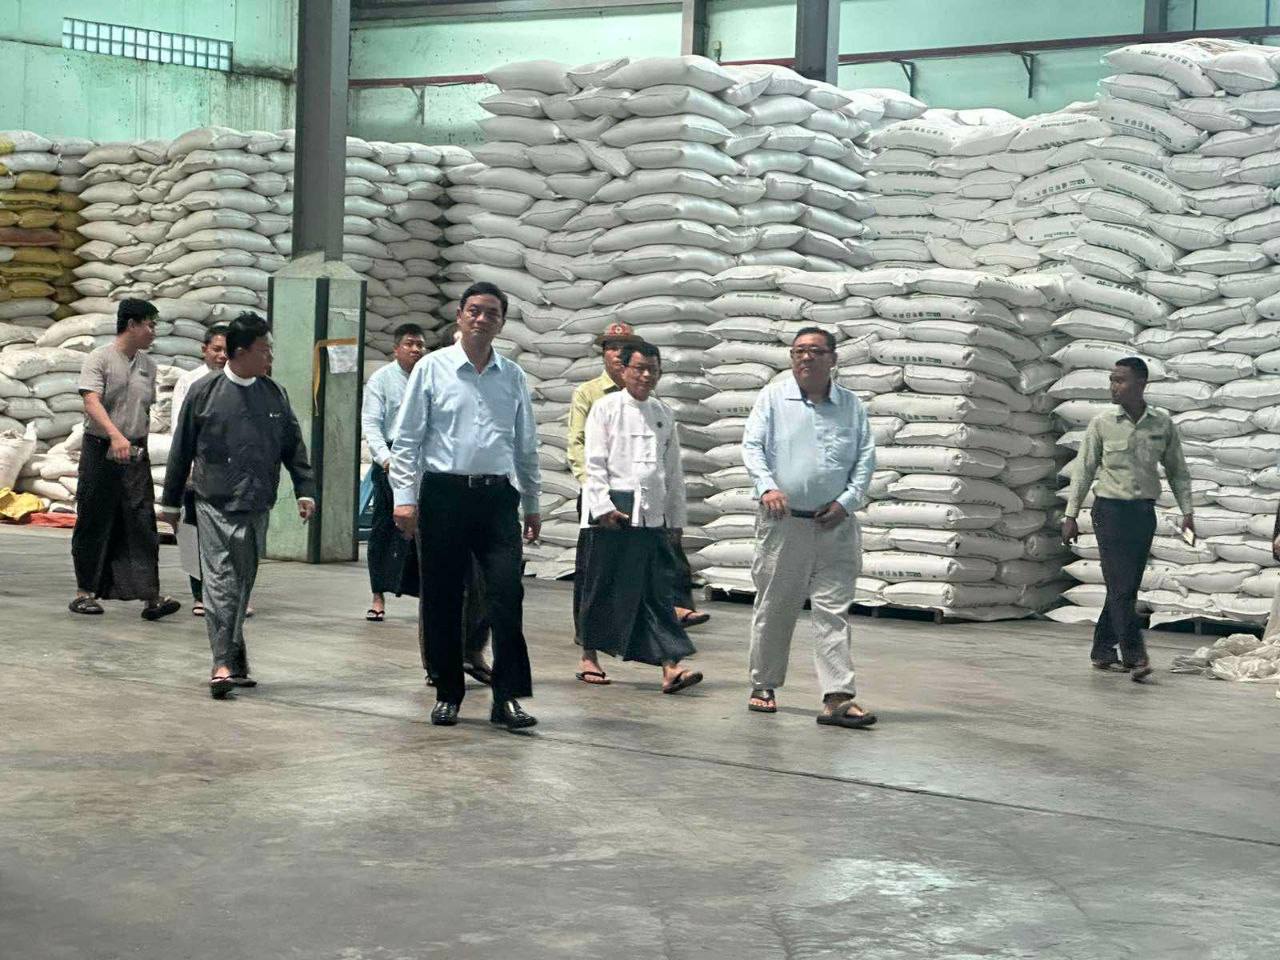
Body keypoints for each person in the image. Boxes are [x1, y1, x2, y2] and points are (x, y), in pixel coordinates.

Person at [390, 281, 541, 732]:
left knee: (507, 596)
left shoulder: (512, 376)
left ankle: (507, 697)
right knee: (442, 597)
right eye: (474, 310)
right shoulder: (432, 369)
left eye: (492, 313)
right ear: (459, 316)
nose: (482, 319)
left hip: (497, 498)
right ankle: (447, 693)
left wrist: (532, 502)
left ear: (501, 323)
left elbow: (525, 445)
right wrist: (404, 499)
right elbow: (408, 440)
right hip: (444, 495)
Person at [160, 312, 316, 699]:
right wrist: (171, 503)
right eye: (265, 350)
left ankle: (234, 654)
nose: (270, 358)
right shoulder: (204, 393)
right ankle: (221, 664)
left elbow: (293, 446)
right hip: (213, 501)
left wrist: (305, 490)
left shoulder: (274, 394)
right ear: (241, 352)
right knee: (219, 581)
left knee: (243, 581)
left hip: (257, 502)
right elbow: (181, 450)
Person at [742, 327, 877, 729]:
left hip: (835, 525)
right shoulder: (773, 398)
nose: (806, 358)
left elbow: (865, 459)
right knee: (776, 607)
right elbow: (752, 447)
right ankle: (764, 684)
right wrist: (767, 487)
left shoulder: (851, 406)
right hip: (784, 525)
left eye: (816, 351)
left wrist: (847, 501)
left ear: (832, 359)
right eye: (799, 351)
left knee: (833, 612)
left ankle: (837, 696)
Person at [568, 323, 708, 686]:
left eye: (653, 370)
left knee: (655, 590)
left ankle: (670, 667)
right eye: (639, 369)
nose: (646, 376)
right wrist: (602, 507)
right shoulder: (605, 408)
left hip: (651, 513)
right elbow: (594, 462)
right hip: (613, 510)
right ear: (624, 370)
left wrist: (675, 519)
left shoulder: (663, 413)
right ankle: (589, 657)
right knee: (600, 586)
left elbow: (672, 470)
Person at [1062, 357, 1194, 682]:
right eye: (1112, 379)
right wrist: (1070, 515)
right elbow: (1083, 470)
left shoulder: (1161, 424)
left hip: (1142, 514)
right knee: (1122, 587)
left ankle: (1101, 650)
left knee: (1125, 587)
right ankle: (1135, 657)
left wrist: (1187, 511)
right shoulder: (1102, 423)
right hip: (1109, 512)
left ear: (1141, 384)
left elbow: (1177, 471)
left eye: (1120, 380)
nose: (1113, 386)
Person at [69, 298, 181, 620]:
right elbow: (91, 402)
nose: (153, 331)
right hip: (101, 449)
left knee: (142, 521)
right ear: (131, 324)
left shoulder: (149, 365)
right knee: (94, 518)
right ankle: (84, 593)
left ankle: (151, 597)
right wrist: (115, 435)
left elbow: (145, 409)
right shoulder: (100, 358)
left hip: (134, 452)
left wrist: (132, 439)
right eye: (150, 324)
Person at [362, 322, 427, 623]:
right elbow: (371, 424)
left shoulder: (428, 376)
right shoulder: (382, 379)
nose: (415, 350)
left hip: (422, 460)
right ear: (396, 349)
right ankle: (378, 595)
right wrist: (386, 460)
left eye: (420, 345)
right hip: (390, 457)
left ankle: (426, 596)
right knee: (385, 528)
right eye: (410, 344)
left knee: (423, 530)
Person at [171, 324, 229, 617]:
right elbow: (179, 429)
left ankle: (228, 594)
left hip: (229, 473)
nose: (221, 356)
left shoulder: (241, 382)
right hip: (198, 471)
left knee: (227, 536)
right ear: (204, 349)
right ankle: (199, 593)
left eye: (227, 350)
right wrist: (187, 469)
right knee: (193, 532)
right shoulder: (190, 382)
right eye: (216, 349)